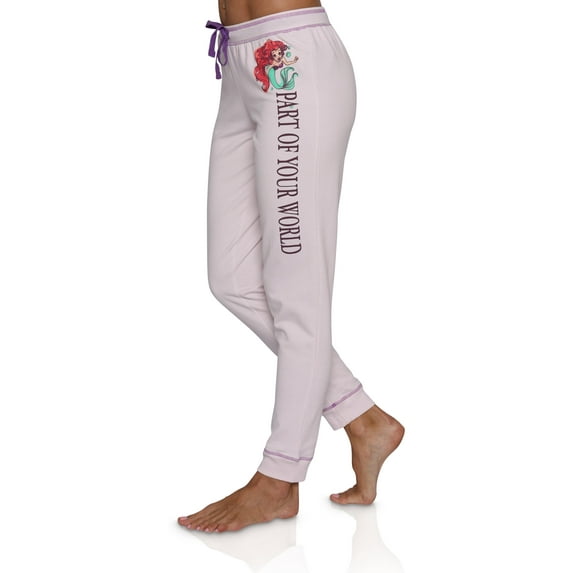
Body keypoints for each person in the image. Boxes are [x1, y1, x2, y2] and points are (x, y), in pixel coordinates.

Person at [178, 0, 404, 533]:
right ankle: (362, 418)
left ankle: (280, 478)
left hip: (291, 58)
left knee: (296, 289)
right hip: (239, 62)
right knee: (232, 278)